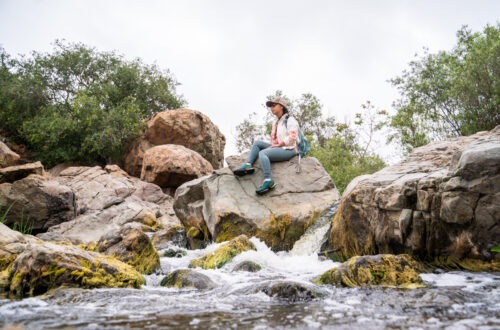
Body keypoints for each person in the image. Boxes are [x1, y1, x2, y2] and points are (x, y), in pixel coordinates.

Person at [233, 96, 299, 195]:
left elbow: (293, 136)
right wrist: (274, 146)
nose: (271, 108)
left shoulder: (290, 120)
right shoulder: (276, 122)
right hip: (279, 147)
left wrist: (279, 144)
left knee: (263, 153)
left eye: (274, 105)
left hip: (289, 149)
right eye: (270, 106)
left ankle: (268, 180)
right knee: (257, 143)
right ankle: (248, 166)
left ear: (281, 106)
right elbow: (274, 139)